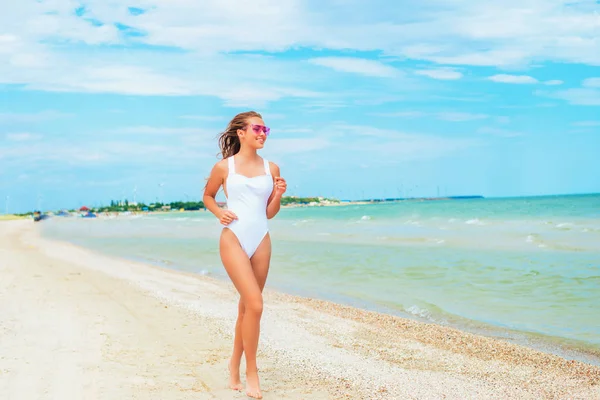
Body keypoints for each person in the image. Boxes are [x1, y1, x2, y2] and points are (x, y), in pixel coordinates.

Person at [203, 111, 287, 399]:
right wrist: (219, 212)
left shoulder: (271, 168)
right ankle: (252, 373)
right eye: (257, 128)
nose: (263, 133)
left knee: (246, 309)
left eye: (266, 129)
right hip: (234, 239)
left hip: (261, 239)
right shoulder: (224, 167)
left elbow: (268, 214)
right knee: (256, 305)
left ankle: (233, 367)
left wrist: (278, 195)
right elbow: (208, 196)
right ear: (241, 132)